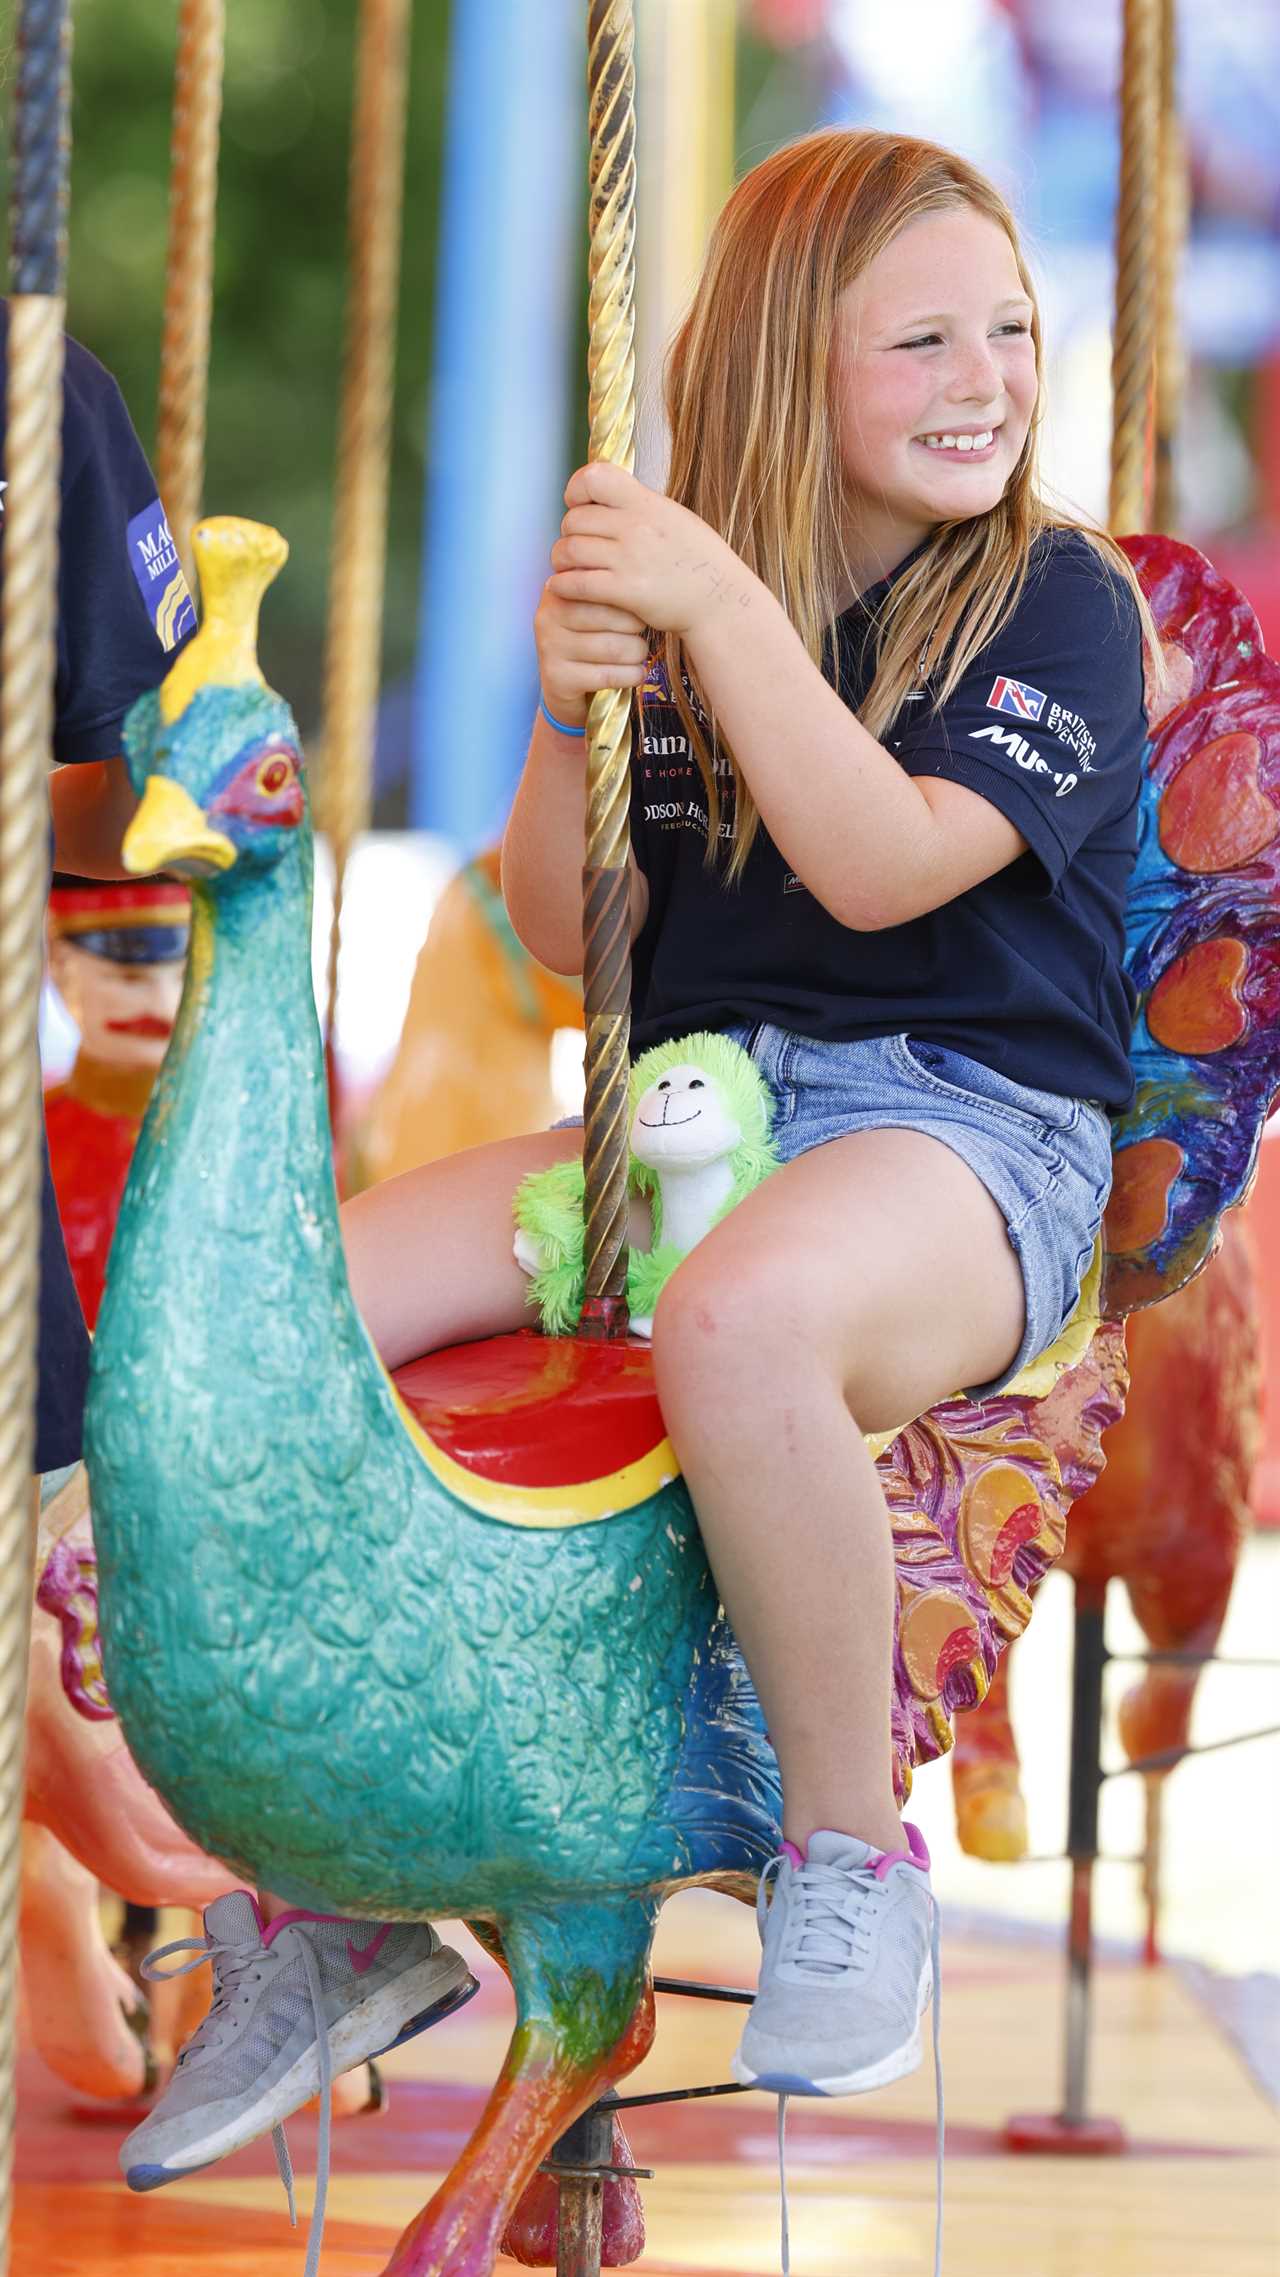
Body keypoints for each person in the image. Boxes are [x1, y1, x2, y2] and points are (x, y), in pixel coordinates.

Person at [126, 125, 1149, 2205]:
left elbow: (877, 866)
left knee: (743, 1313)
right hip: (694, 1120)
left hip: (962, 1138)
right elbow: (564, 930)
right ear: (784, 364)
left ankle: (848, 1850)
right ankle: (339, 1892)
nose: (989, 373)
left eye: (1012, 329)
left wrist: (702, 601)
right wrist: (560, 704)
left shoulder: (1059, 604)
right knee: (284, 1317)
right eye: (924, 338)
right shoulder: (708, 608)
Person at [0, 301, 471, 2172]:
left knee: (139, 1546)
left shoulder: (41, 394)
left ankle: (268, 1888)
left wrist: (221, 777)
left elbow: (134, 769)